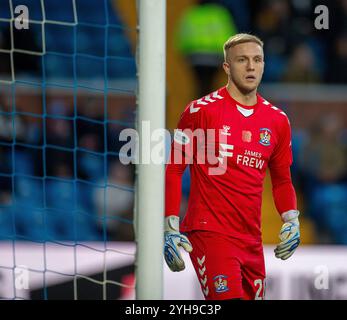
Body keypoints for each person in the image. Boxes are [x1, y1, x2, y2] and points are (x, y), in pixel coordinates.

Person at [164, 33, 300, 300]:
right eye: (242, 60)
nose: (251, 66)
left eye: (257, 60)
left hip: (251, 238)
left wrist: (291, 219)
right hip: (210, 232)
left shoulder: (277, 121)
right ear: (227, 67)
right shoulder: (200, 112)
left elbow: (282, 180)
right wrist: (170, 226)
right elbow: (174, 169)